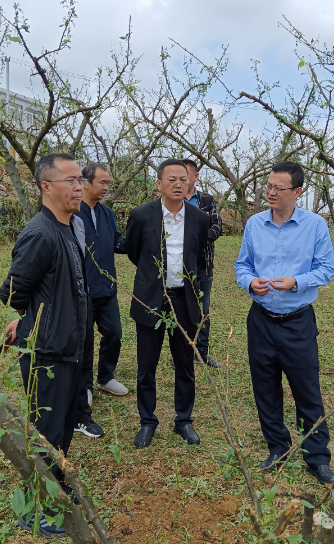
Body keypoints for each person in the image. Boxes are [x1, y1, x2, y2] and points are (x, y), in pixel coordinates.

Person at [0, 153, 88, 537]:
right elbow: (13, 291)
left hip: (69, 345)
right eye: (70, 180)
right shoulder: (40, 233)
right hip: (46, 353)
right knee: (46, 431)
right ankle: (36, 506)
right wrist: (32, 317)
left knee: (64, 426)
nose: (79, 186)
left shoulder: (68, 226)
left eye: (81, 179)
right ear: (46, 186)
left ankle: (58, 486)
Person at [234, 161, 334, 485]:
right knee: (265, 389)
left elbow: (326, 269)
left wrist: (296, 281)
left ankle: (317, 458)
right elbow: (242, 265)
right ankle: (277, 448)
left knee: (307, 391)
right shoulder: (254, 224)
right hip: (261, 320)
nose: (270, 193)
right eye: (268, 186)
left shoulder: (315, 226)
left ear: (297, 191)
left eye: (278, 188)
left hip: (297, 323)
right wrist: (251, 283)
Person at [126, 159, 210, 449]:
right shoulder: (141, 215)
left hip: (184, 301)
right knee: (146, 366)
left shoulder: (199, 218)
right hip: (151, 300)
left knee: (185, 364)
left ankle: (183, 420)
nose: (178, 184)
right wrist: (153, 280)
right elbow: (135, 253)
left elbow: (197, 257)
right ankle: (147, 421)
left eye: (183, 179)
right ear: (159, 183)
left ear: (190, 183)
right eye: (171, 179)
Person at [72, 163, 129, 438]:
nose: (106, 187)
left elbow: (118, 241)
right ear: (86, 182)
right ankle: (84, 387)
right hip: (83, 291)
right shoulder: (73, 212)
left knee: (114, 333)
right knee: (84, 343)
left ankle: (105, 377)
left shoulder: (107, 213)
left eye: (108, 183)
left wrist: (137, 241)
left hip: (107, 288)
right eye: (103, 182)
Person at [181, 158, 223, 369]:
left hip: (203, 266)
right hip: (179, 268)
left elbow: (217, 226)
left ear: (195, 177)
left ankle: (202, 351)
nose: (180, 180)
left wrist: (197, 242)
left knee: (203, 310)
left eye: (185, 175)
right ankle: (182, 350)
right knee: (181, 308)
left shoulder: (206, 200)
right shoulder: (172, 200)